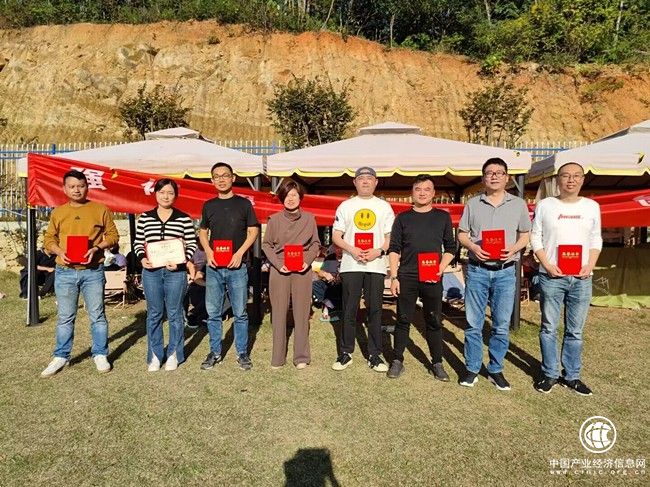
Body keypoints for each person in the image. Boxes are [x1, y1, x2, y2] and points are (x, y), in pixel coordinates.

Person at [457, 158, 531, 390]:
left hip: (505, 272)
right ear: (483, 178)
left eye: (499, 172)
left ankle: (496, 369)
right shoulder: (473, 204)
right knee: (473, 323)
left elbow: (525, 234)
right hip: (478, 270)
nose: (495, 176)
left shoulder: (518, 204)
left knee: (500, 324)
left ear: (507, 177)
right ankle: (472, 368)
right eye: (490, 173)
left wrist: (514, 248)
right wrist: (473, 246)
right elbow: (462, 234)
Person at [531, 162, 602, 396]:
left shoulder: (591, 206)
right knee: (549, 327)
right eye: (566, 176)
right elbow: (536, 237)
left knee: (575, 331)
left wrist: (590, 265)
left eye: (576, 176)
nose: (571, 180)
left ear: (582, 179)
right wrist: (546, 264)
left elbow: (596, 239)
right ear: (557, 180)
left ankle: (572, 376)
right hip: (552, 276)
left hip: (581, 278)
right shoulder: (545, 205)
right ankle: (549, 374)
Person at [40, 169, 119, 378]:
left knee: (97, 315)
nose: (77, 190)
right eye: (72, 186)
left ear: (87, 187)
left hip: (93, 271)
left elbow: (113, 235)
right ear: (64, 189)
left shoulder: (100, 209)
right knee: (65, 316)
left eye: (81, 186)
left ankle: (100, 353)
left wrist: (97, 248)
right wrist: (59, 251)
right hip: (65, 272)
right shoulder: (58, 212)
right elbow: (49, 239)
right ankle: (61, 356)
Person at [387, 175, 457, 380]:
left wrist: (440, 268)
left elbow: (450, 248)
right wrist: (394, 277)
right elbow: (394, 249)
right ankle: (397, 360)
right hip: (407, 276)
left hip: (432, 276)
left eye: (427, 189)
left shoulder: (442, 217)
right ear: (412, 193)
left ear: (433, 193)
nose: (422, 193)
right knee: (403, 319)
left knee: (433, 320)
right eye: (418, 189)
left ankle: (437, 362)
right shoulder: (402, 218)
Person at [331, 167, 395, 372]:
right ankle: (345, 352)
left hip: (376, 265)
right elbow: (336, 236)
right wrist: (352, 249)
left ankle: (375, 354)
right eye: (361, 178)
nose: (365, 181)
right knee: (349, 308)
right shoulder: (346, 206)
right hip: (351, 264)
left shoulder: (384, 207)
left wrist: (379, 251)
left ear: (376, 182)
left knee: (375, 309)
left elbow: (390, 237)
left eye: (369, 178)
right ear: (355, 182)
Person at [199, 162, 259, 371]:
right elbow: (202, 232)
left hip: (237, 267)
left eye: (225, 175)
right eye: (217, 176)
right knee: (213, 312)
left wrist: (240, 253)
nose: (221, 179)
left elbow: (253, 231)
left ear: (233, 178)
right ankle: (215, 352)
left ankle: (242, 353)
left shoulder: (244, 204)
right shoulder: (209, 205)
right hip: (214, 267)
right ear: (212, 180)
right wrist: (208, 252)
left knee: (240, 312)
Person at [134, 178, 197, 372]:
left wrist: (181, 261)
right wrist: (142, 258)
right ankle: (155, 354)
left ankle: (174, 354)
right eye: (162, 192)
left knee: (175, 313)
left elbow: (192, 244)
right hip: (151, 272)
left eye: (170, 193)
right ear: (156, 194)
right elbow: (138, 243)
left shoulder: (184, 218)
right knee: (154, 313)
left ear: (176, 196)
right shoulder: (145, 218)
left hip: (175, 273)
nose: (166, 196)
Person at [262, 179, 321, 369]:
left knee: (302, 312)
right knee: (278, 312)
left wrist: (307, 260)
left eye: (294, 195)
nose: (291, 198)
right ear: (282, 198)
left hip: (302, 268)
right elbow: (266, 245)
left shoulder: (309, 218)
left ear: (300, 197)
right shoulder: (274, 219)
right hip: (280, 268)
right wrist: (278, 264)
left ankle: (301, 357)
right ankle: (278, 357)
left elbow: (316, 244)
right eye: (287, 195)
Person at [312, 245, 343, 322]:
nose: (339, 250)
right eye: (337, 248)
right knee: (315, 284)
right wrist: (325, 274)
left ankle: (329, 307)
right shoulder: (330, 258)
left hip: (342, 285)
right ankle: (328, 303)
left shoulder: (348, 259)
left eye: (341, 248)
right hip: (329, 283)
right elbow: (320, 272)